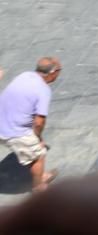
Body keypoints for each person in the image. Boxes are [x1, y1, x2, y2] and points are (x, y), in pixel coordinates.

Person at [0, 57, 61, 191]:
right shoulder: (43, 90)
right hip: (14, 132)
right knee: (38, 155)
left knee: (29, 153)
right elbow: (39, 122)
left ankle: (40, 174)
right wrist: (38, 138)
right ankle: (39, 186)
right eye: (59, 70)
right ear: (53, 72)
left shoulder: (25, 75)